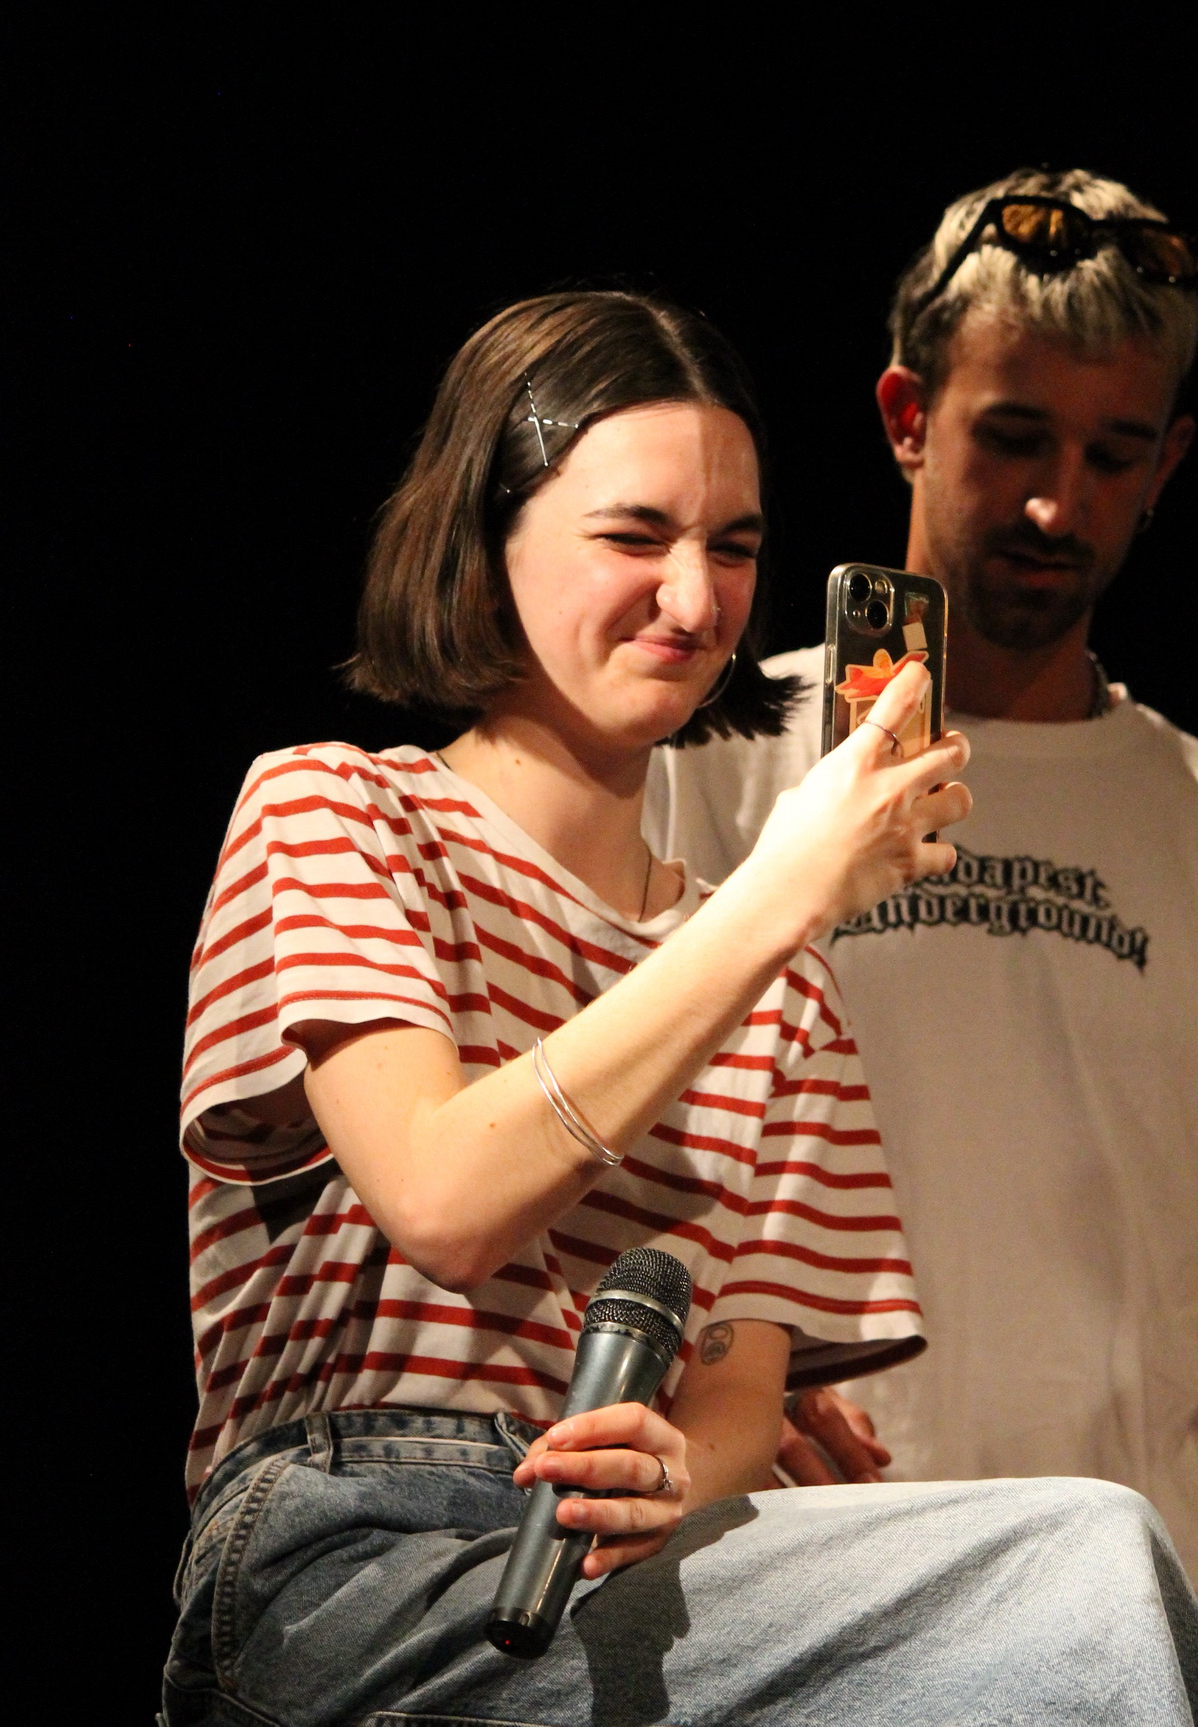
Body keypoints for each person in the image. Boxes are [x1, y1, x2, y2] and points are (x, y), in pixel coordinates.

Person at [164, 290, 1198, 1727]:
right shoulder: (338, 811)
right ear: (487, 539)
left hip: (636, 1567)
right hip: (358, 1554)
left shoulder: (781, 979)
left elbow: (738, 1395)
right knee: (1076, 1574)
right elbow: (446, 1199)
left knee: (1088, 1569)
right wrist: (779, 896)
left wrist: (674, 1470)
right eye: (635, 536)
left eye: (733, 547)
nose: (697, 603)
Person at [646, 169, 1198, 1578]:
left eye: (1113, 455)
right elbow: (585, 1137)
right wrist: (715, 1389)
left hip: (1133, 1588)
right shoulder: (713, 759)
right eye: (1012, 439)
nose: (1056, 506)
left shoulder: (1185, 807)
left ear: (1167, 465)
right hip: (804, 1573)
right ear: (906, 416)